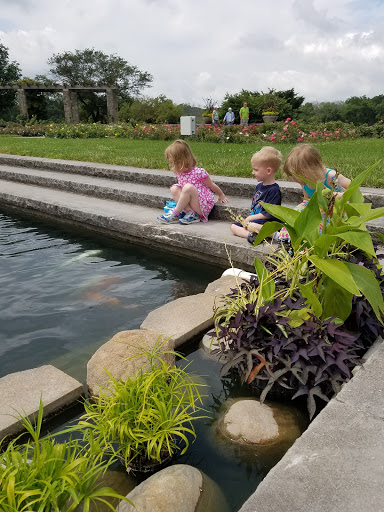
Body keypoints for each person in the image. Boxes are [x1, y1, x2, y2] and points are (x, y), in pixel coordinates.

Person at [279, 143, 351, 240]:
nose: (294, 180)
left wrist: (334, 195)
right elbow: (306, 200)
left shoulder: (331, 176)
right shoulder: (305, 182)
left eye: (296, 176)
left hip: (335, 211)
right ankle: (291, 237)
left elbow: (353, 190)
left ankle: (317, 240)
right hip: (318, 210)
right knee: (297, 213)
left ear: (309, 171)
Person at [157, 139, 228, 225]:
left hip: (202, 205)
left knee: (187, 187)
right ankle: (189, 212)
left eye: (172, 162)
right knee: (174, 188)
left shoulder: (199, 172)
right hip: (191, 203)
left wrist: (221, 195)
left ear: (182, 161)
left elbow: (211, 185)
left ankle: (176, 214)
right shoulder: (179, 172)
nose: (170, 165)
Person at [230, 146, 282, 244]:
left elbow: (269, 214)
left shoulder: (274, 190)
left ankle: (265, 234)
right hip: (255, 221)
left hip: (268, 223)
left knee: (251, 226)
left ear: (268, 171)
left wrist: (250, 218)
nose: (253, 172)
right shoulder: (259, 186)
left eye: (256, 170)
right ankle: (251, 236)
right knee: (233, 226)